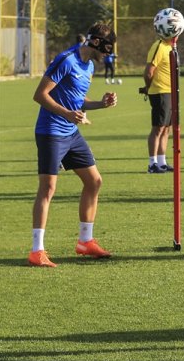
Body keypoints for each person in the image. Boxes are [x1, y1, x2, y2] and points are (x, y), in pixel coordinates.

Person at [29, 23, 118, 267]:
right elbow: (40, 95)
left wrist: (101, 104)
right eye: (107, 49)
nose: (108, 55)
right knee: (47, 189)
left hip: (71, 133)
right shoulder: (66, 60)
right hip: (51, 132)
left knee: (94, 181)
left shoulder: (88, 65)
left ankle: (85, 242)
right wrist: (67, 113)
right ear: (97, 42)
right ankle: (37, 250)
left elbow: (79, 101)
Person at [143, 33, 174, 173]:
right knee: (158, 128)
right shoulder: (159, 46)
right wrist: (148, 88)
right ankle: (152, 164)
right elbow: (149, 72)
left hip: (170, 92)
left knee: (167, 128)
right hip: (160, 92)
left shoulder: (170, 47)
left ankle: (162, 162)